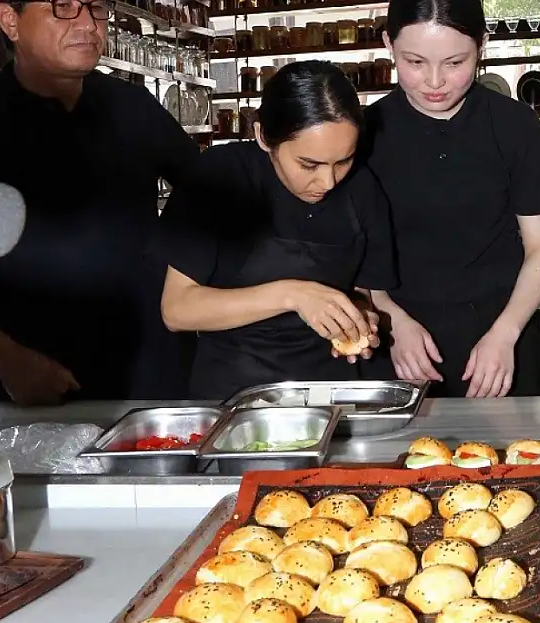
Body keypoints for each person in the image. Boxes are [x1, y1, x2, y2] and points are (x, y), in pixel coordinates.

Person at [0, 0, 198, 404]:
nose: (87, 24)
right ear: (10, 21)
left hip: (152, 372)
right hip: (36, 375)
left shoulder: (133, 108)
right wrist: (5, 358)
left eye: (96, 8)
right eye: (63, 7)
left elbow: (208, 191)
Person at [154, 61, 396, 400]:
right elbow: (177, 310)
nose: (328, 182)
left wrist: (356, 319)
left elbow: (362, 294)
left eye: (343, 161)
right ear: (263, 137)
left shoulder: (363, 189)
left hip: (332, 394)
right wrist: (293, 294)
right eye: (308, 164)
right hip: (233, 396)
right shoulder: (220, 176)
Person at [361, 0, 540, 398]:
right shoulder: (365, 131)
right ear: (388, 44)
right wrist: (391, 320)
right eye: (414, 62)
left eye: (455, 63)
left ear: (482, 46)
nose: (434, 81)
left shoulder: (515, 125)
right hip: (400, 339)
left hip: (506, 333)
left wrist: (505, 334)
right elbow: (359, 253)